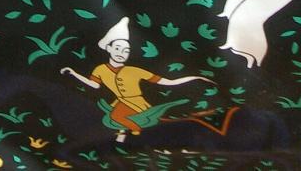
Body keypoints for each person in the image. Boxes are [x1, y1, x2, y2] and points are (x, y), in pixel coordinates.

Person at [60, 17, 213, 142]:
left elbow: (168, 82)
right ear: (109, 48)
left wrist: (195, 77)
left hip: (136, 102)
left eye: (126, 51)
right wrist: (74, 73)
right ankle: (124, 134)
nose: (122, 53)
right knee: (113, 117)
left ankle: (136, 131)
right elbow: (94, 85)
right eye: (118, 48)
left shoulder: (134, 70)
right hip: (119, 101)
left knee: (116, 116)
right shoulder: (100, 69)